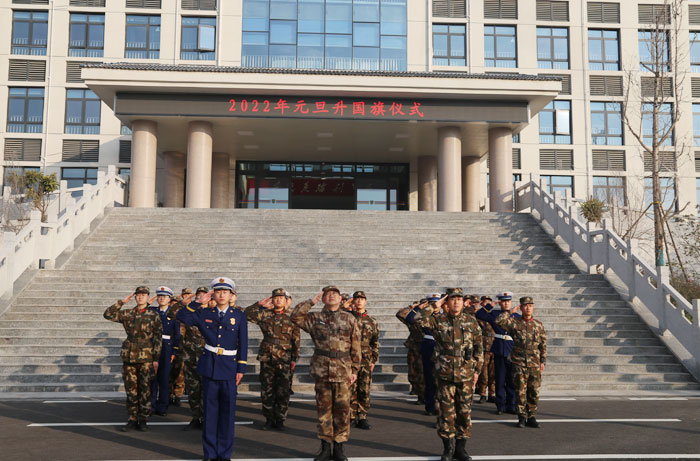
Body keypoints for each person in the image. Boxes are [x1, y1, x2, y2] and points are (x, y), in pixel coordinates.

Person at [175, 277, 248, 461]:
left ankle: (224, 454)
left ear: (231, 295)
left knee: (227, 414)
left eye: (226, 291)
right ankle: (209, 453)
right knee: (210, 413)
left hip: (230, 367)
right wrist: (197, 302)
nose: (222, 294)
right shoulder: (204, 313)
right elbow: (181, 316)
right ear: (213, 294)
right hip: (209, 367)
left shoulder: (239, 315)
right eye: (218, 291)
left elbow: (244, 343)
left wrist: (241, 367)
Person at [408, 288, 483, 461]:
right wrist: (435, 305)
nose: (456, 302)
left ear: (464, 302)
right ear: (447, 302)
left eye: (459, 299)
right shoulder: (438, 320)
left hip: (465, 373)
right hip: (444, 373)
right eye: (452, 299)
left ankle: (461, 448)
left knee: (464, 412)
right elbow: (417, 319)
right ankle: (448, 449)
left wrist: (477, 371)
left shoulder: (471, 321)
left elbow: (479, 347)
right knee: (446, 412)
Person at [291, 286, 361, 461]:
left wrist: (355, 370)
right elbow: (295, 316)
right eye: (327, 294)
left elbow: (356, 345)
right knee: (324, 410)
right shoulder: (315, 318)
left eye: (334, 294)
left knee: (343, 410)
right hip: (322, 369)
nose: (331, 296)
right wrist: (311, 302)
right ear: (322, 299)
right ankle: (324, 448)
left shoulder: (349, 318)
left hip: (343, 369)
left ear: (340, 299)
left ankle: (339, 448)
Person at [104, 286, 161, 432]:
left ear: (148, 298)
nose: (140, 297)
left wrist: (156, 359)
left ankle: (143, 419)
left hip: (146, 357)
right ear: (135, 297)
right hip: (129, 357)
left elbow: (158, 338)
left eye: (144, 295)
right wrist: (121, 302)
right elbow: (108, 314)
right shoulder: (128, 313)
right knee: (131, 390)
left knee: (145, 390)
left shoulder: (153, 315)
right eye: (138, 295)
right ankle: (132, 418)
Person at [245, 288, 301, 431]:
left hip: (285, 357)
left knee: (283, 390)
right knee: (267, 389)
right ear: (272, 299)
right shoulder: (265, 314)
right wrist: (258, 304)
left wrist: (294, 358)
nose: (278, 300)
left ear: (286, 300)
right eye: (275, 297)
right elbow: (246, 315)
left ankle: (280, 419)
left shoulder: (291, 316)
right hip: (267, 356)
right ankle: (269, 419)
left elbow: (296, 339)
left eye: (281, 298)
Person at [496, 296, 547, 428]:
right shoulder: (515, 322)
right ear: (521, 307)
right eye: (525, 305)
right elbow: (498, 321)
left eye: (530, 305)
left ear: (533, 307)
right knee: (520, 391)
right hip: (519, 362)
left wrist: (543, 361)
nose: (528, 308)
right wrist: (510, 311)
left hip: (534, 362)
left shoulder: (538, 324)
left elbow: (543, 344)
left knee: (534, 391)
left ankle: (532, 416)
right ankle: (521, 417)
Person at [168, 286, 208, 431]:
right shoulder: (191, 312)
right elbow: (172, 313)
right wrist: (185, 302)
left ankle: (207, 419)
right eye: (199, 295)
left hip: (207, 357)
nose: (202, 297)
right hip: (190, 356)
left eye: (205, 295)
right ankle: (196, 417)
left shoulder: (212, 312)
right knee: (193, 389)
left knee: (207, 390)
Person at [397, 293, 442, 416]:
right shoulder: (423, 317)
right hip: (427, 347)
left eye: (436, 302)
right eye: (432, 303)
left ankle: (439, 405)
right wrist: (418, 307)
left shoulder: (443, 316)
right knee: (428, 377)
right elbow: (410, 318)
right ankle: (429, 405)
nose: (435, 305)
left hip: (441, 348)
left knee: (440, 379)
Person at [475, 291, 518, 415]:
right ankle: (501, 405)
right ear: (500, 303)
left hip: (511, 350)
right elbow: (479, 314)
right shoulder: (494, 313)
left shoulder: (517, 316)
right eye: (503, 301)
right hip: (499, 349)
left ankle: (512, 404)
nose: (506, 304)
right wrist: (491, 305)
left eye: (508, 301)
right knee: (500, 379)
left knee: (511, 380)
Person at [349, 291, 379, 429]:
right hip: (350, 358)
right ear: (353, 302)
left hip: (366, 358)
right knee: (350, 388)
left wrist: (373, 360)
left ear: (366, 301)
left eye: (362, 299)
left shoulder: (372, 321)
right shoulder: (348, 318)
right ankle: (351, 415)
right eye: (357, 299)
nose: (359, 301)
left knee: (364, 388)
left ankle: (362, 416)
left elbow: (375, 342)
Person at [150, 286, 181, 417]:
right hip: (152, 347)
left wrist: (174, 351)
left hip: (167, 348)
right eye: (159, 296)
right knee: (152, 378)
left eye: (165, 296)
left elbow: (177, 335)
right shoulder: (152, 311)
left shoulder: (174, 314)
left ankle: (162, 406)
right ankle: (150, 405)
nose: (162, 298)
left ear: (169, 299)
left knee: (164, 378)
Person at [396, 298, 425, 405]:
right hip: (414, 347)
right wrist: (412, 307)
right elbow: (399, 314)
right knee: (414, 369)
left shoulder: (428, 318)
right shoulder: (412, 319)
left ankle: (423, 395)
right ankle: (417, 390)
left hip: (427, 347)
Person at [169, 288, 191, 407]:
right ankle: (169, 395)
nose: (186, 297)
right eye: (184, 295)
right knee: (170, 372)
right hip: (171, 346)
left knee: (180, 373)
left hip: (184, 347)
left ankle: (178, 395)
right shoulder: (174, 314)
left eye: (188, 295)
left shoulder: (189, 312)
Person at [475, 296, 496, 404]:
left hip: (494, 347)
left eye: (489, 302)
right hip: (483, 347)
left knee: (493, 373)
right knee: (484, 373)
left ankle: (492, 393)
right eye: (485, 303)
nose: (487, 304)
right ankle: (483, 393)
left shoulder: (493, 316)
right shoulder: (480, 316)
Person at [284, 291, 300, 396]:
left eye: (287, 298)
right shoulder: (271, 312)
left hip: (288, 349)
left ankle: (288, 388)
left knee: (288, 374)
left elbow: (296, 337)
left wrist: (295, 356)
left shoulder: (293, 314)